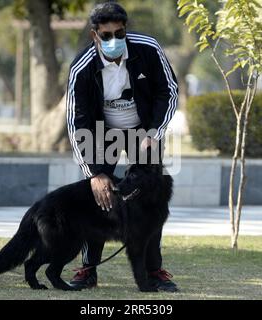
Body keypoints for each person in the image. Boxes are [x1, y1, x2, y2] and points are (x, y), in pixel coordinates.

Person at [66, 2, 178, 292]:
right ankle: (87, 270)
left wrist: (154, 131)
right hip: (102, 133)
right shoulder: (82, 67)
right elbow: (77, 122)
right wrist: (93, 172)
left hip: (145, 131)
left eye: (119, 32)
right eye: (106, 35)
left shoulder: (148, 48)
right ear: (94, 36)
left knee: (152, 200)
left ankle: (155, 272)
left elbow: (170, 91)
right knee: (98, 198)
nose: (113, 40)